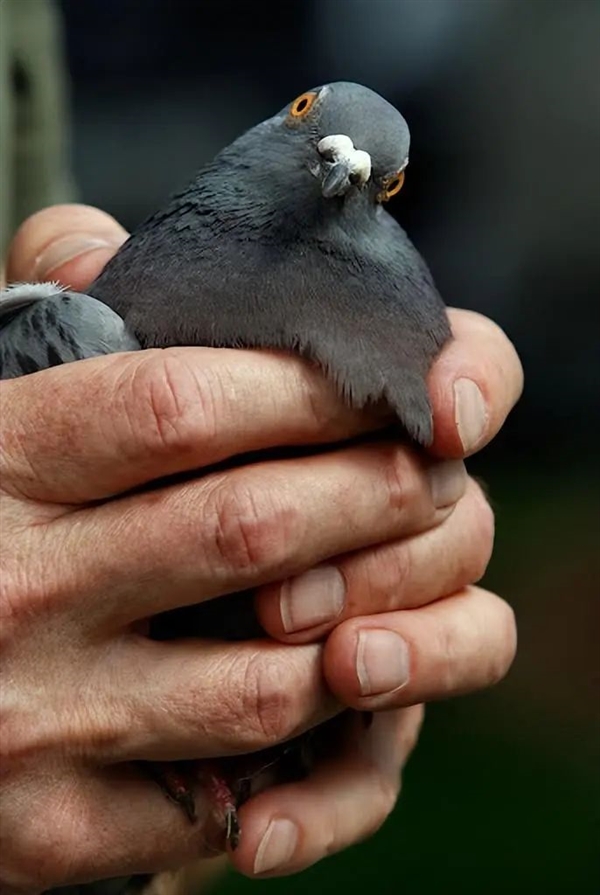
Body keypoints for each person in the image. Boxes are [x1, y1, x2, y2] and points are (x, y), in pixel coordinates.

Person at [0, 3, 523, 893]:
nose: (337, 154)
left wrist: (218, 770)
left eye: (383, 184)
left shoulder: (414, 346)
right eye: (307, 114)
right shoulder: (80, 332)